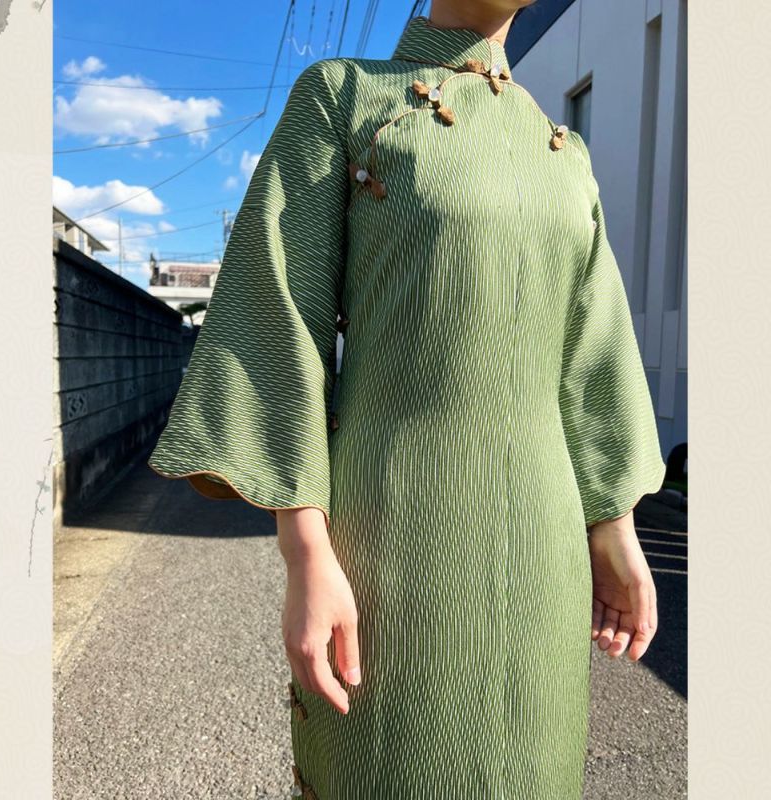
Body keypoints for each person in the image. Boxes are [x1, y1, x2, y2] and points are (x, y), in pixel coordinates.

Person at [147, 2, 666, 797]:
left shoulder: (565, 152)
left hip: (545, 546)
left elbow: (592, 347)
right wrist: (304, 550)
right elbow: (279, 314)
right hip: (392, 535)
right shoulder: (346, 96)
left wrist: (614, 528)